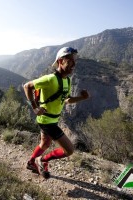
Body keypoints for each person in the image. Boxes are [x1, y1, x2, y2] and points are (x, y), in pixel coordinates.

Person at [23, 47, 89, 179]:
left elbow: (66, 100)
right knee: (69, 150)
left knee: (45, 144)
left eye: (75, 61)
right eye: (70, 61)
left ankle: (31, 162)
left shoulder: (67, 80)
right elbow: (27, 86)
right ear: (60, 61)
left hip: (53, 119)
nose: (74, 65)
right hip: (47, 121)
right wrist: (35, 107)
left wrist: (81, 98)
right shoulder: (50, 79)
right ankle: (41, 160)